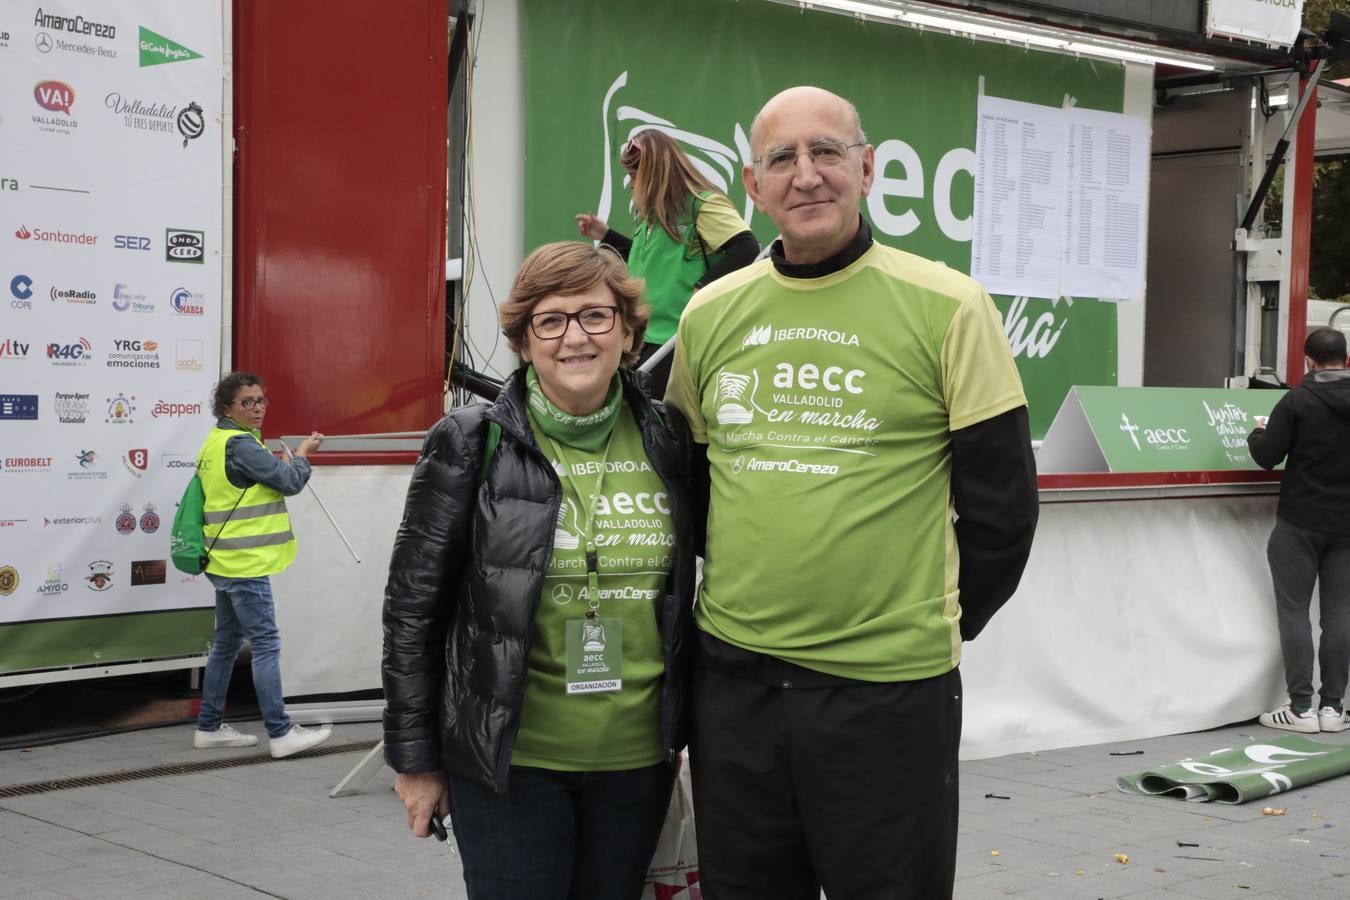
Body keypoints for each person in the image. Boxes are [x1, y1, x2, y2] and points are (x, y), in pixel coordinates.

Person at [663, 86, 1040, 899]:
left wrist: (924, 621)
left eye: (827, 152)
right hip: (737, 690)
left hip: (889, 695)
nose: (807, 176)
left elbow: (1003, 511)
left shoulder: (950, 305)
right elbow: (688, 491)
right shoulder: (710, 313)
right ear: (753, 185)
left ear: (867, 169)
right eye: (782, 159)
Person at [382, 242, 698, 900]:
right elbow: (414, 611)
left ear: (631, 333)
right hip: (510, 765)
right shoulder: (470, 440)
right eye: (550, 320)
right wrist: (414, 760)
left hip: (636, 765)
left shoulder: (668, 437)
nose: (574, 337)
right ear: (525, 341)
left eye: (595, 316)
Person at [191, 372, 333, 759]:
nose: (257, 409)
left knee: (226, 643)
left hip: (223, 561)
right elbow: (289, 481)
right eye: (247, 403)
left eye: (261, 401)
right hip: (245, 564)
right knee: (266, 643)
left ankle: (208, 727)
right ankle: (281, 732)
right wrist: (303, 455)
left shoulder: (216, 441)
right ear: (226, 408)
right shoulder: (240, 445)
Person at [576, 128, 759, 395]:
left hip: (675, 342)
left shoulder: (702, 204)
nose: (631, 184)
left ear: (655, 173)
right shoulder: (653, 218)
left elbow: (746, 247)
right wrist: (604, 235)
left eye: (634, 175)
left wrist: (703, 287)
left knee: (663, 425)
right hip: (640, 339)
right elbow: (646, 264)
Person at [1249, 326, 1350, 735]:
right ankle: (1334, 708)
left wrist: (1257, 430)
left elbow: (1266, 457)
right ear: (1345, 360)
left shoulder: (1297, 401)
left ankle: (1300, 708)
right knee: (1340, 614)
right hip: (1346, 525)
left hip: (1299, 522)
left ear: (1308, 360)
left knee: (1294, 612)